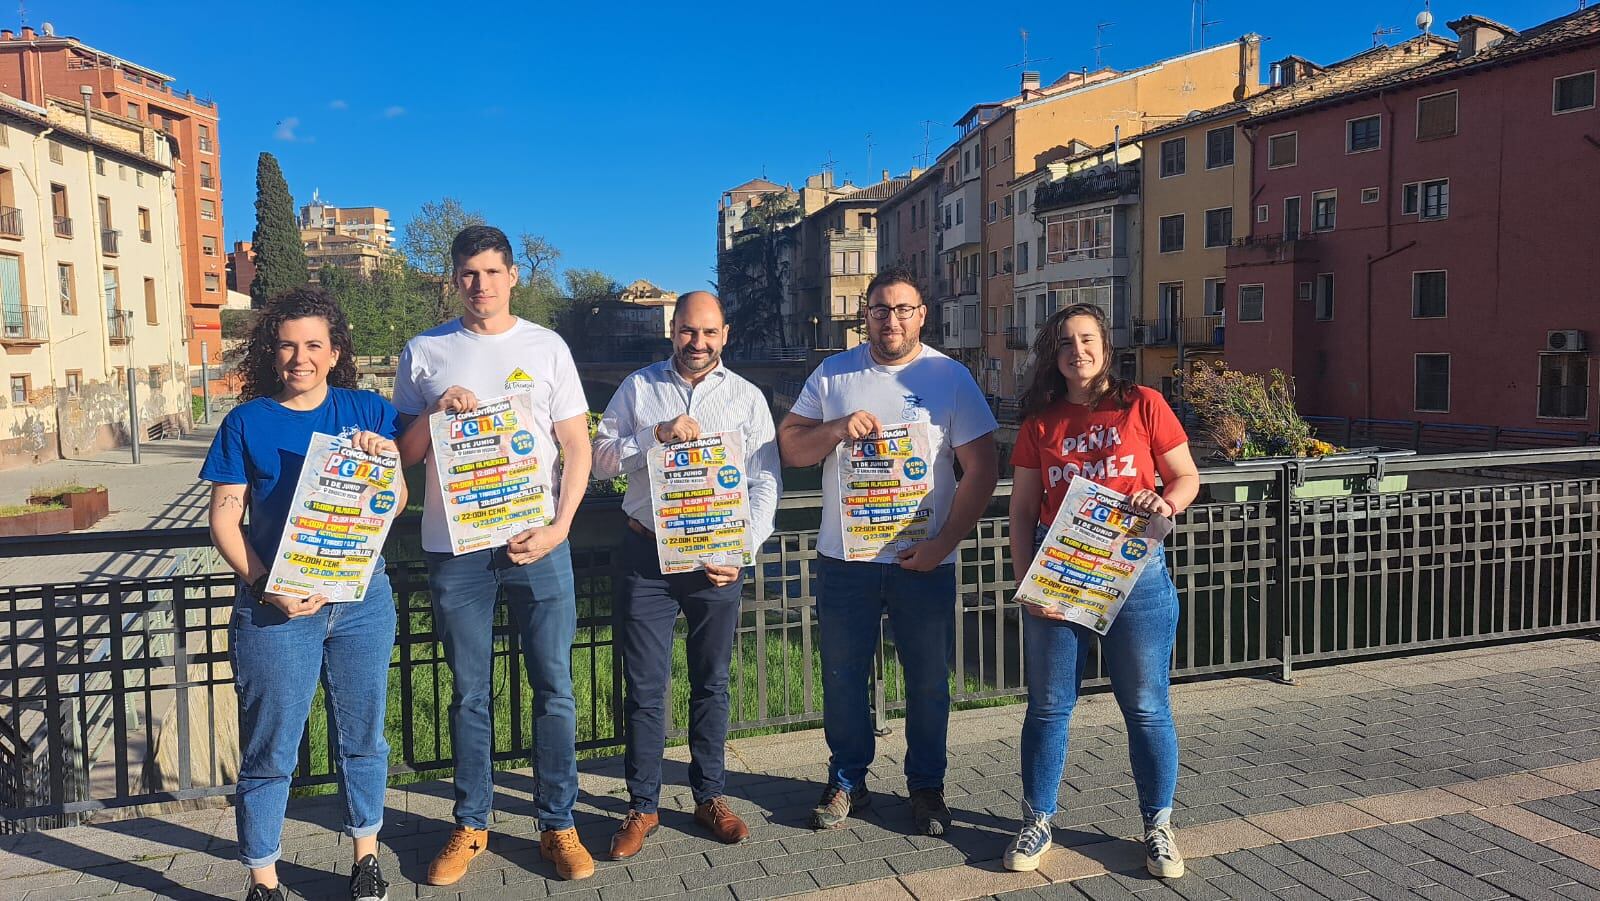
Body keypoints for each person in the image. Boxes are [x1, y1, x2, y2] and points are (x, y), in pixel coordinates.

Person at [392, 225, 596, 883]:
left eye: (490, 271)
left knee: (555, 690)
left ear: (512, 275)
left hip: (537, 541)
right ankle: (471, 822)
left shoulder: (546, 347)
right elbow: (403, 456)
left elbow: (577, 446)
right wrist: (435, 412)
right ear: (454, 279)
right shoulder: (424, 352)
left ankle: (557, 823)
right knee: (467, 694)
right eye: (468, 273)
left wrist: (561, 526)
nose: (480, 284)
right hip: (457, 550)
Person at [777, 266, 998, 834]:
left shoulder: (950, 377)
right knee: (842, 676)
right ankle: (847, 780)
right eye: (880, 310)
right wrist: (835, 429)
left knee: (927, 680)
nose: (891, 320)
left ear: (923, 315)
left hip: (923, 562)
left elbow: (983, 470)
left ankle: (926, 787)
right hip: (846, 560)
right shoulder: (833, 374)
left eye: (903, 309)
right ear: (866, 316)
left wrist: (943, 546)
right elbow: (792, 447)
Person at [201, 287, 405, 901]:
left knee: (364, 735)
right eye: (288, 345)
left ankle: (365, 855)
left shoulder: (368, 410)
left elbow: (393, 503)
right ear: (272, 352)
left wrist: (388, 463)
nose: (300, 357)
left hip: (362, 599)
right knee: (271, 744)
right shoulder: (246, 422)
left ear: (335, 349)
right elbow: (223, 517)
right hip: (276, 607)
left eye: (314, 344)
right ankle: (263, 876)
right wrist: (266, 587)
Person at [1002, 303, 1199, 877]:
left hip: (1135, 574)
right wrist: (1024, 584)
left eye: (1087, 339)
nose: (1077, 351)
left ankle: (1158, 825)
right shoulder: (1041, 420)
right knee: (1047, 708)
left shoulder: (1143, 403)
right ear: (1053, 355)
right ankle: (1038, 818)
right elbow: (1019, 512)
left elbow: (1186, 477)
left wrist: (1165, 502)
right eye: (1065, 342)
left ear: (1105, 347)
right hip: (1058, 575)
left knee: (1146, 706)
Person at [592, 291, 781, 858]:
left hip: (716, 560)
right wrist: (653, 436)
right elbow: (599, 457)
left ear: (725, 335)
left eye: (708, 333)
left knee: (712, 682)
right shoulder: (638, 388)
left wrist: (745, 545)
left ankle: (710, 796)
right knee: (645, 686)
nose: (697, 343)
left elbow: (764, 481)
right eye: (687, 332)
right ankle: (642, 806)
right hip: (646, 555)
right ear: (672, 331)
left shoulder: (748, 399)